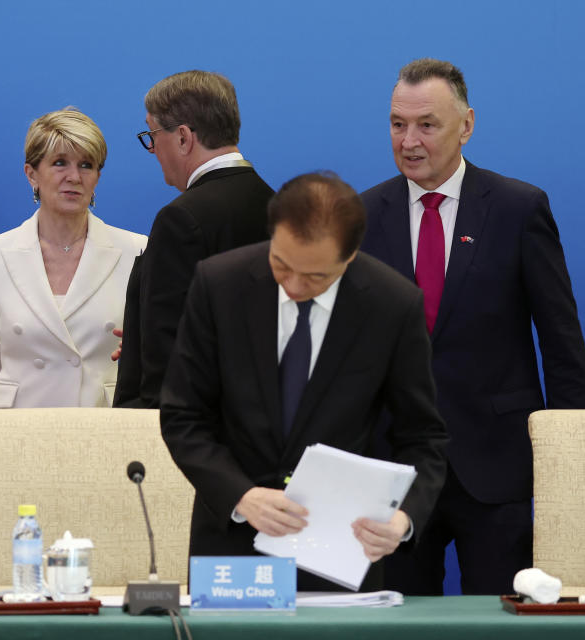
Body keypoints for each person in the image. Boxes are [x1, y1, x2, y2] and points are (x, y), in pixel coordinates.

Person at [360, 58, 585, 595]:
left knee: (502, 622)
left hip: (494, 463)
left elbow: (561, 341)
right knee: (398, 625)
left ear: (466, 124)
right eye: (398, 124)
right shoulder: (365, 214)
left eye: (427, 125)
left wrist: (571, 457)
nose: (409, 140)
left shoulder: (517, 208)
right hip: (393, 469)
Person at [160, 172, 448, 592]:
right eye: (281, 264)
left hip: (343, 556)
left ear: (349, 258)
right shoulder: (219, 284)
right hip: (235, 547)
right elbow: (184, 415)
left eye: (315, 277)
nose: (293, 286)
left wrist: (403, 518)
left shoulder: (392, 305)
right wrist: (242, 496)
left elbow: (424, 436)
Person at [113, 70, 273, 409]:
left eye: (153, 134)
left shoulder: (180, 219)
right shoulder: (279, 207)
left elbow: (168, 358)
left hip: (189, 436)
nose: (153, 149)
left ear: (184, 137)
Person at [0, 109, 146, 408]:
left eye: (86, 165)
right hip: (15, 429)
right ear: (31, 174)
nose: (74, 177)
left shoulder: (136, 250)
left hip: (102, 428)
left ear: (97, 178)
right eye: (59, 163)